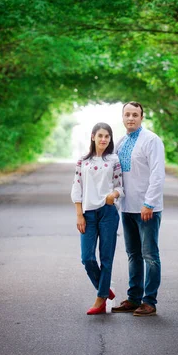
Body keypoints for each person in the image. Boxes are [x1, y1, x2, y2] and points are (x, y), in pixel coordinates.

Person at [112, 101, 165, 316]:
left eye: (135, 114)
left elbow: (157, 174)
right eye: (127, 114)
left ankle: (149, 302)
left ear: (142, 117)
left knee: (149, 255)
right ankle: (134, 299)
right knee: (133, 254)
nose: (131, 118)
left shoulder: (151, 140)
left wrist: (149, 203)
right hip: (127, 207)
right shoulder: (121, 142)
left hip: (147, 209)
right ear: (122, 117)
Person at [71, 122, 124, 315]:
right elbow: (77, 188)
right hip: (88, 214)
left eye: (107, 137)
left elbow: (120, 186)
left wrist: (113, 196)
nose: (103, 139)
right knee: (87, 258)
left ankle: (100, 300)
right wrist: (79, 214)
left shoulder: (114, 160)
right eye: (100, 135)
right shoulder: (83, 161)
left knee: (107, 258)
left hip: (108, 212)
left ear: (110, 139)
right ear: (93, 136)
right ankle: (104, 288)